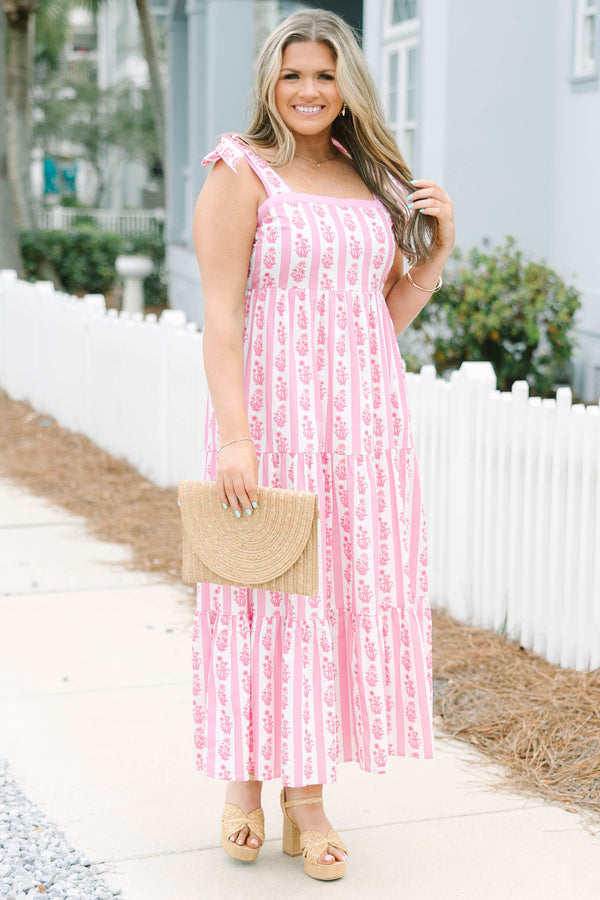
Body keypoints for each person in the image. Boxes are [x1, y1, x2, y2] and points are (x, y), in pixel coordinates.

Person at [192, 8, 455, 882]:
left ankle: (307, 798)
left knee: (329, 605)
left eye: (325, 75)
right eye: (293, 74)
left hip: (360, 427)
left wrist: (433, 261)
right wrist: (236, 438)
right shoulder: (241, 171)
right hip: (271, 421)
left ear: (348, 89)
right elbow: (222, 317)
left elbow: (373, 321)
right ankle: (242, 787)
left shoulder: (361, 176)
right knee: (260, 595)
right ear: (271, 81)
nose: (308, 91)